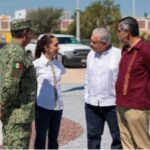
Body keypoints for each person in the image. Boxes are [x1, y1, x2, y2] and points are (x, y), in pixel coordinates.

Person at [0, 19, 37, 149]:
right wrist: (1, 108)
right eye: (31, 32)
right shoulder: (18, 55)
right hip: (17, 116)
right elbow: (11, 84)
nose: (32, 35)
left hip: (12, 115)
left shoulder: (6, 50)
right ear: (26, 32)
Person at [84, 28, 122, 149]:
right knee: (92, 137)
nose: (91, 44)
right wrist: (86, 95)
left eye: (94, 42)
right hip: (92, 105)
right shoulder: (90, 54)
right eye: (90, 41)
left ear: (105, 43)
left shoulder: (119, 54)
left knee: (118, 138)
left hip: (113, 105)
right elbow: (87, 77)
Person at [116, 16, 150, 149]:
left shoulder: (145, 50)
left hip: (137, 106)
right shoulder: (125, 50)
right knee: (127, 144)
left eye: (119, 31)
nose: (118, 34)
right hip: (121, 104)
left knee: (142, 145)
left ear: (127, 32)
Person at [33, 34, 66, 149]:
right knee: (41, 138)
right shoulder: (36, 65)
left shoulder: (58, 64)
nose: (59, 47)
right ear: (46, 48)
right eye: (56, 45)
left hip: (58, 107)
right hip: (43, 107)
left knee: (54, 140)